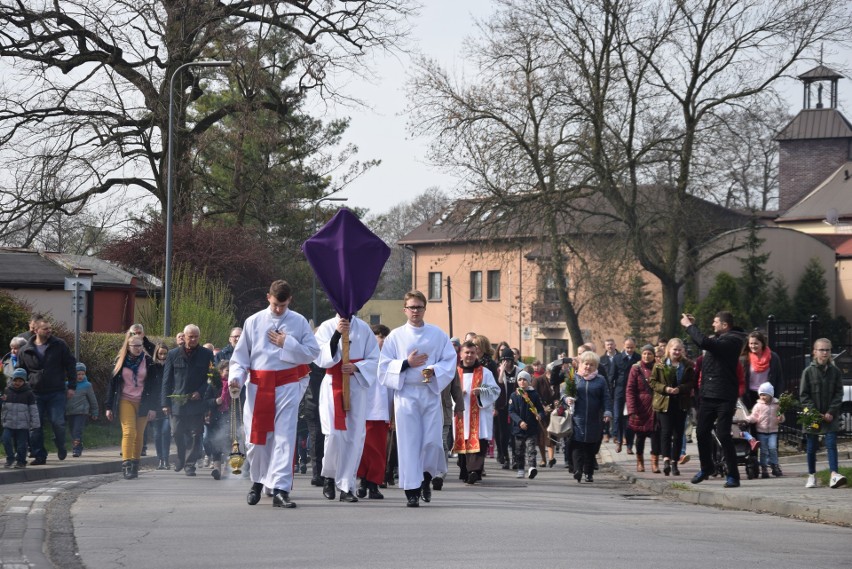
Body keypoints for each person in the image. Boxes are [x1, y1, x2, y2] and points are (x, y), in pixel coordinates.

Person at [228, 280, 320, 509]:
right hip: (259, 385)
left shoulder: (298, 321)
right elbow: (240, 358)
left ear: (290, 300)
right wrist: (236, 379)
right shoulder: (253, 322)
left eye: (283, 304)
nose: (279, 309)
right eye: (276, 304)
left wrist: (287, 342)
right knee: (257, 440)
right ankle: (258, 482)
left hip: (287, 384)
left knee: (284, 437)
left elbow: (312, 353)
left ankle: (280, 488)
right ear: (268, 297)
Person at [377, 291, 457, 507]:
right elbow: (383, 367)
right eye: (411, 307)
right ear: (405, 310)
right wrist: (406, 363)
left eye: (419, 307)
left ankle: (426, 480)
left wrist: (433, 369)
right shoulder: (395, 336)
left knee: (431, 441)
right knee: (409, 443)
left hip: (429, 394)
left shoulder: (437, 335)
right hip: (406, 395)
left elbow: (450, 360)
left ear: (425, 309)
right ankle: (411, 490)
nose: (415, 311)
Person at [314, 314, 379, 503]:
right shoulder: (326, 326)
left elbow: (375, 358)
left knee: (354, 436)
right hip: (333, 384)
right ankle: (329, 476)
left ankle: (346, 485)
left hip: (356, 386)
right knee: (334, 434)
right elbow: (319, 357)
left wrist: (357, 367)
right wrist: (336, 334)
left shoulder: (364, 329)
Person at [681, 311, 747, 488]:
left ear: (725, 325)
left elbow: (704, 342)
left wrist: (689, 326)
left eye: (715, 322)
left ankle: (733, 475)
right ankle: (706, 467)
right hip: (709, 394)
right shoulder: (719, 339)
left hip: (725, 395)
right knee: (702, 432)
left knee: (723, 434)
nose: (713, 325)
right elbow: (703, 342)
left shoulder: (733, 340)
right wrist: (693, 327)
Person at [18, 317, 76, 465]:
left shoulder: (59, 345)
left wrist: (72, 386)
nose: (49, 331)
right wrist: (22, 391)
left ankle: (60, 444)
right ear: (36, 330)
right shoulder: (25, 350)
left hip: (56, 391)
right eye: (45, 329)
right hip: (35, 392)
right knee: (35, 426)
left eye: (50, 328)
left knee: (58, 422)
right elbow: (20, 372)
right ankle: (39, 455)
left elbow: (70, 365)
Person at [162, 324, 215, 478]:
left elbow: (211, 377)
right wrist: (164, 403)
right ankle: (180, 457)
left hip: (197, 402)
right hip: (177, 401)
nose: (193, 339)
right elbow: (167, 380)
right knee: (176, 431)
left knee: (195, 434)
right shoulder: (173, 354)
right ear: (184, 337)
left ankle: (189, 464)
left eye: (196, 336)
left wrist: (201, 391)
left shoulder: (206, 354)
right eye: (190, 336)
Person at [106, 334, 160, 479]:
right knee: (129, 432)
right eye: (135, 346)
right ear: (128, 347)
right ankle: (126, 465)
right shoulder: (120, 361)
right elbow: (112, 385)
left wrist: (154, 407)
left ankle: (136, 464)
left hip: (143, 402)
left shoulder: (148, 361)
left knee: (139, 434)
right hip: (125, 400)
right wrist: (108, 406)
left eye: (140, 346)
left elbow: (155, 386)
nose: (138, 348)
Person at [800, 338, 846, 489]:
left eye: (827, 349)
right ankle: (812, 475)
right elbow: (804, 395)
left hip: (830, 415)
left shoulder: (835, 372)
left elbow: (839, 393)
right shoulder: (808, 372)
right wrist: (814, 412)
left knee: (831, 444)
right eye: (821, 349)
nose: (825, 352)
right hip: (812, 416)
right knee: (812, 446)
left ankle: (834, 474)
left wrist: (831, 411)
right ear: (814, 352)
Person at [452, 341, 500, 485]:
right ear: (461, 354)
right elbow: (444, 392)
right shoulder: (454, 372)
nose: (469, 355)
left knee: (478, 443)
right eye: (467, 352)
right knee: (463, 442)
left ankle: (474, 472)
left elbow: (496, 390)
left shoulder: (485, 372)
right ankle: (465, 471)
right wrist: (457, 394)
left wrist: (482, 392)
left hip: (479, 414)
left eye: (472, 353)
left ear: (476, 353)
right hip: (460, 414)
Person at [355, 324, 393, 500]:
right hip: (362, 409)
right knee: (362, 449)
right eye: (379, 336)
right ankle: (362, 481)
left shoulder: (390, 359)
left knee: (378, 450)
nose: (382, 340)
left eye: (385, 337)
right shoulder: (363, 357)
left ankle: (374, 484)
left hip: (380, 411)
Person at [649, 338, 695, 477]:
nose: (677, 352)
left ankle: (675, 462)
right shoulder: (660, 365)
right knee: (666, 432)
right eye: (674, 349)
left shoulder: (687, 365)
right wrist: (665, 388)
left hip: (680, 402)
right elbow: (652, 382)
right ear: (668, 349)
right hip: (664, 402)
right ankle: (666, 460)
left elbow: (691, 383)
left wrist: (680, 389)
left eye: (679, 350)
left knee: (678, 433)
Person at [564, 351, 612, 483]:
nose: (588, 367)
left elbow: (606, 398)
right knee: (577, 444)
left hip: (594, 418)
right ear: (581, 364)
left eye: (592, 365)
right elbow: (564, 394)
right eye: (586, 364)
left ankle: (589, 472)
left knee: (590, 447)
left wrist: (607, 412)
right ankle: (578, 470)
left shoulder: (600, 380)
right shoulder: (574, 378)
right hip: (577, 417)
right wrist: (567, 399)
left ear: (596, 367)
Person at [508, 370, 545, 479]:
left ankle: (532, 468)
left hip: (531, 428)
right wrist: (519, 422)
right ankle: (520, 468)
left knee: (531, 449)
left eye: (524, 379)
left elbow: (540, 410)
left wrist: (540, 415)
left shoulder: (534, 394)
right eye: (520, 379)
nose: (522, 381)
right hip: (518, 429)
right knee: (519, 450)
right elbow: (511, 411)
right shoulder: (514, 395)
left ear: (529, 381)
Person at [626, 345, 657, 473]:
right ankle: (640, 462)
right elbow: (630, 390)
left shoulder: (658, 367)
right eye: (644, 353)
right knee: (640, 436)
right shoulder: (636, 369)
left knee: (656, 435)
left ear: (653, 355)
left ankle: (655, 463)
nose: (646, 356)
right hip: (640, 407)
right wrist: (632, 409)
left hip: (655, 406)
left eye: (649, 353)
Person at [742, 382, 783, 478]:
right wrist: (747, 420)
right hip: (761, 431)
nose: (762, 397)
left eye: (765, 394)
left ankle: (774, 465)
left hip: (773, 431)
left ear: (770, 395)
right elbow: (754, 416)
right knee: (763, 450)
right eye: (761, 394)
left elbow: (781, 416)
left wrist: (780, 418)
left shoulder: (777, 405)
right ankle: (764, 467)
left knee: (772, 448)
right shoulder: (758, 406)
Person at [2, 368, 39, 469]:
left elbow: (33, 410)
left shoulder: (29, 393)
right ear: (12, 380)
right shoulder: (7, 391)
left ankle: (21, 461)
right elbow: (3, 407)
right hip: (9, 423)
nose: (17, 383)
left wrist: (35, 424)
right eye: (15, 380)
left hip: (22, 425)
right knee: (5, 440)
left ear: (24, 381)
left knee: (22, 444)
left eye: (20, 381)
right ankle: (10, 458)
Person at [742, 331, 783, 410]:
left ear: (762, 343)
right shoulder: (744, 359)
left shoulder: (773, 357)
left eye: (756, 343)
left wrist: (777, 398)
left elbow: (779, 378)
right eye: (751, 343)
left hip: (766, 395)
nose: (753, 346)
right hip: (749, 396)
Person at [611, 338, 639, 454]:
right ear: (623, 346)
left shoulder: (638, 358)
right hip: (619, 391)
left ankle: (629, 445)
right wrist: (610, 393)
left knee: (630, 420)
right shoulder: (617, 358)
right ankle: (618, 440)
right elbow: (611, 376)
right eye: (627, 347)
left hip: (633, 392)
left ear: (635, 346)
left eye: (632, 347)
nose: (629, 350)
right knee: (617, 417)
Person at [66, 362, 99, 457]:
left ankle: (76, 449)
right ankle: (79, 445)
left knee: (77, 430)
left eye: (82, 374)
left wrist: (95, 412)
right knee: (72, 431)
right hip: (70, 412)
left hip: (81, 412)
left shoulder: (87, 385)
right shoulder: (67, 385)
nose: (80, 376)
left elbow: (93, 399)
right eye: (78, 374)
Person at [496, 346, 520, 469]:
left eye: (508, 360)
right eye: (504, 360)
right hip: (502, 407)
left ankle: (516, 458)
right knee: (503, 434)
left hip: (515, 407)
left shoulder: (518, 371)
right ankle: (505, 458)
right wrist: (501, 371)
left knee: (514, 434)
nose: (506, 363)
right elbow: (498, 385)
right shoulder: (499, 371)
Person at [150, 343, 172, 470]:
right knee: (157, 434)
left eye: (165, 354)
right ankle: (160, 460)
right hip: (155, 404)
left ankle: (166, 459)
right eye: (160, 353)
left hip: (168, 404)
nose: (163, 356)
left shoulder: (170, 367)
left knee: (165, 431)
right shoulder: (152, 367)